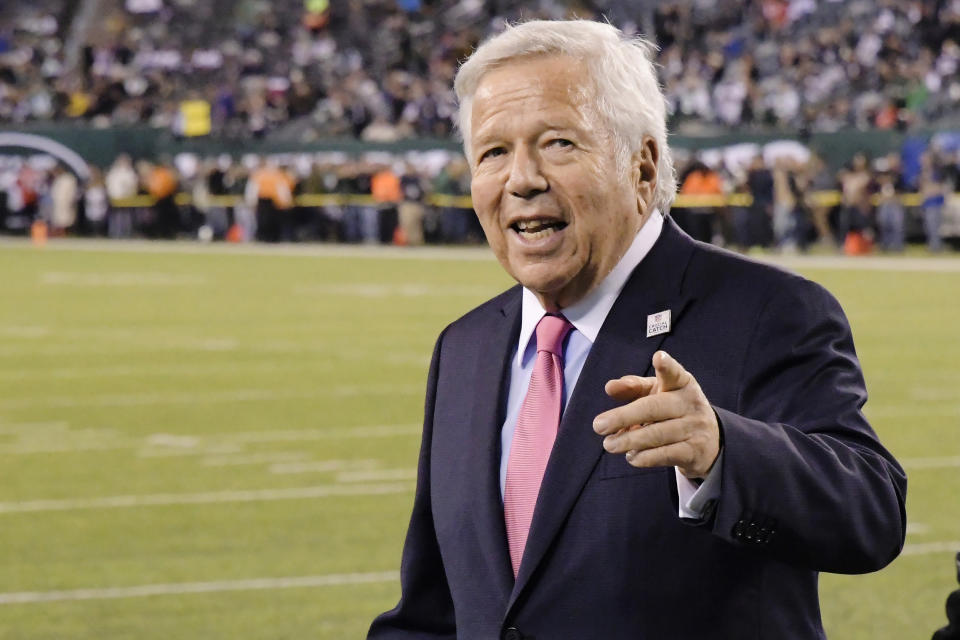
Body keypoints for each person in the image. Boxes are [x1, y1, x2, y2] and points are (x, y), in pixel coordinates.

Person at [369, 20, 906, 639]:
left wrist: (725, 454)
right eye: (493, 152)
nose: (521, 178)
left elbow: (873, 511)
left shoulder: (767, 310)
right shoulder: (464, 347)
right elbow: (438, 613)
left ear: (643, 168)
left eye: (558, 143)